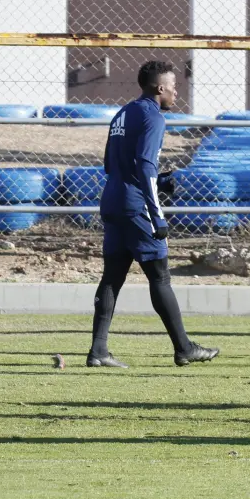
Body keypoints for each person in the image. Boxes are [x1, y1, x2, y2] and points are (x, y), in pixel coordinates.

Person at [85, 60, 218, 369]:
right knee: (160, 276)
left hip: (112, 200)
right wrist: (157, 214)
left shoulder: (123, 113)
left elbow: (110, 164)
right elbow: (145, 165)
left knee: (112, 277)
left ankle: (98, 350)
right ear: (160, 88)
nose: (176, 93)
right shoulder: (154, 117)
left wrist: (157, 180)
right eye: (173, 87)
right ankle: (184, 348)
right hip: (136, 206)